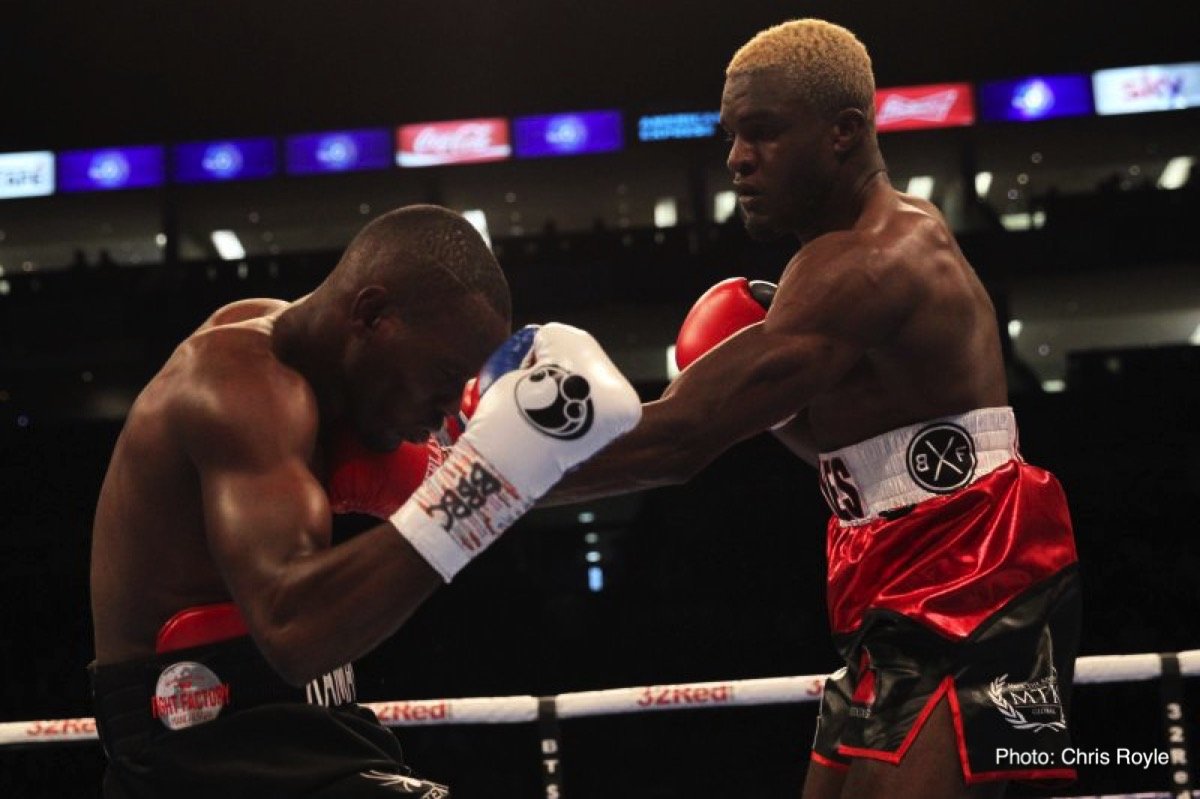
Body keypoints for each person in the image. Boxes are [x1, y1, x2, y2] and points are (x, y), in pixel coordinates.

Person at [546, 19, 1080, 799]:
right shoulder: (836, 262)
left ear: (844, 133)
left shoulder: (870, 260)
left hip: (978, 582)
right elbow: (858, 452)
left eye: (762, 133)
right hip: (889, 574)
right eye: (731, 135)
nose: (736, 158)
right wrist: (775, 411)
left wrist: (481, 485)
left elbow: (680, 439)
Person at [88, 204, 641, 798]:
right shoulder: (236, 385)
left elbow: (634, 458)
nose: (452, 407)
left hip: (308, 734)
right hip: (200, 751)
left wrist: (754, 370)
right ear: (373, 315)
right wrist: (484, 487)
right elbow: (293, 629)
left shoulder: (349, 400)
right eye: (445, 372)